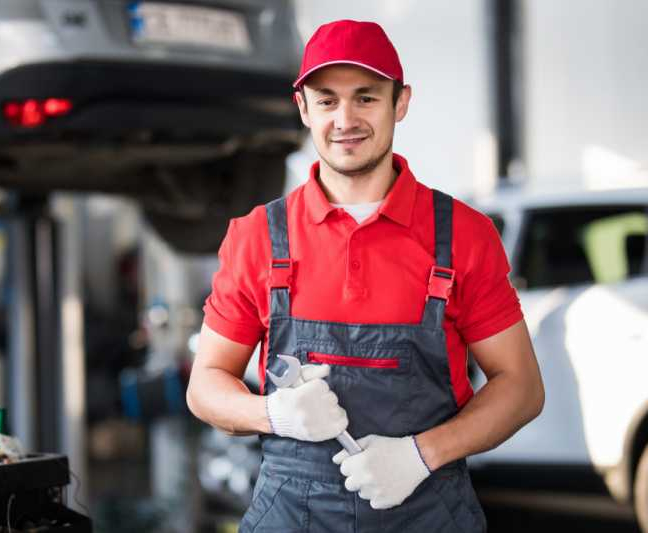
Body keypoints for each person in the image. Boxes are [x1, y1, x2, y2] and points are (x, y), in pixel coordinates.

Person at [186, 19, 544, 532]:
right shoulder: (258, 237)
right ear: (304, 108)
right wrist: (276, 415)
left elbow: (522, 387)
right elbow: (205, 386)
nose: (345, 118)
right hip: (292, 517)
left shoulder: (463, 235)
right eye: (327, 100)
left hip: (428, 515)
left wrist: (421, 454)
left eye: (366, 98)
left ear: (401, 102)